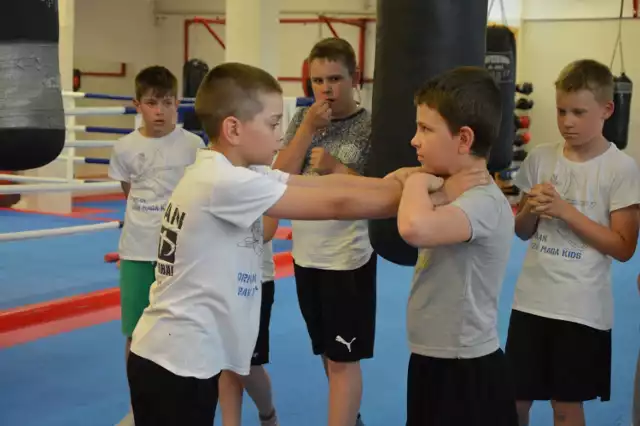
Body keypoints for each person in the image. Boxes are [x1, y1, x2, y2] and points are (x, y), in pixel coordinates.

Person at [125, 62, 403, 426]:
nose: (278, 137)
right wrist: (409, 195)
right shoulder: (222, 183)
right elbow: (336, 204)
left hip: (183, 356)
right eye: (273, 124)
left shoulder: (237, 172)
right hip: (174, 363)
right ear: (234, 128)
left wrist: (396, 181)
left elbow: (319, 186)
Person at [505, 58, 640, 426]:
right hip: (531, 301)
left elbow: (624, 247)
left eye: (579, 112)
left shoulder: (621, 169)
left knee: (565, 408)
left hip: (580, 309)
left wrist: (566, 212)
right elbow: (521, 231)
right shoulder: (540, 158)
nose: (567, 121)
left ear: (607, 110)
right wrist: (530, 208)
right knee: (514, 401)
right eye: (562, 110)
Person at [387, 66, 518, 426]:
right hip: (432, 356)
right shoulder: (444, 187)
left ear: (463, 139)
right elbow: (384, 189)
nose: (414, 140)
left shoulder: (484, 203)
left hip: (467, 367)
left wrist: (415, 182)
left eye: (425, 129)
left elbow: (413, 227)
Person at [272, 37, 371, 426]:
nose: (325, 89)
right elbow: (277, 177)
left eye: (334, 78)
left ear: (354, 78)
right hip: (306, 255)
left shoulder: (370, 124)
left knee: (346, 358)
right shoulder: (304, 119)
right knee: (329, 355)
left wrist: (337, 168)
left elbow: (385, 187)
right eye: (317, 81)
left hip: (347, 258)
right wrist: (306, 132)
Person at [107, 65, 203, 424]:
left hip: (181, 255)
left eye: (167, 102)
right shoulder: (124, 148)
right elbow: (129, 193)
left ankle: (180, 402)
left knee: (180, 329)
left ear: (178, 102)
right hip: (136, 252)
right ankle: (138, 407)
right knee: (135, 333)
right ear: (137, 105)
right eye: (151, 103)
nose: (160, 111)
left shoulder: (193, 146)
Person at [218, 213, 281, 426]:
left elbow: (269, 228)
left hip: (254, 280)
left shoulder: (265, 178)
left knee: (248, 365)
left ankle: (268, 416)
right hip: (219, 276)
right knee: (225, 361)